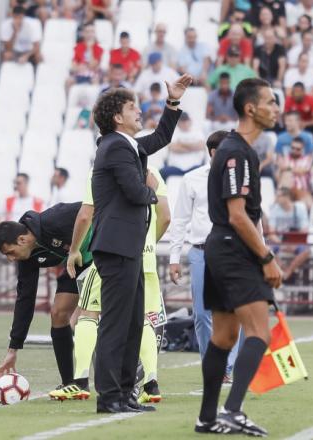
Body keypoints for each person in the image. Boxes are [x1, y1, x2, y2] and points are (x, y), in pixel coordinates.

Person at [88, 76, 192, 414]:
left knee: (133, 323)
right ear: (117, 117)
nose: (139, 111)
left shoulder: (127, 145)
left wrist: (173, 102)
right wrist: (151, 190)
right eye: (133, 107)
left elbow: (161, 137)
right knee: (117, 324)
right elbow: (135, 192)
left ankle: (123, 394)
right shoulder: (116, 146)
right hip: (117, 246)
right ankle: (109, 397)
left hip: (128, 246)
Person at [195, 78, 281, 436]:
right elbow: (237, 214)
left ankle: (207, 417)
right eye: (271, 102)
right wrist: (266, 257)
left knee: (223, 338)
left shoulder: (239, 149)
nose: (276, 109)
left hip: (220, 245)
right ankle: (232, 410)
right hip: (233, 247)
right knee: (260, 332)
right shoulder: (238, 152)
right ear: (251, 108)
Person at [65, 166, 170, 403]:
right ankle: (150, 385)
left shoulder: (102, 168)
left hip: (113, 253)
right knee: (143, 319)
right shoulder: (151, 172)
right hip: (147, 259)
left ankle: (80, 381)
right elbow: (166, 216)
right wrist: (148, 243)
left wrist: (73, 250)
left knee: (88, 313)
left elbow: (85, 214)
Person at [0, 202, 93, 400]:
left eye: (10, 253)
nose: (11, 259)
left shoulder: (55, 219)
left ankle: (128, 376)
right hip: (78, 263)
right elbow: (25, 300)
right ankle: (70, 383)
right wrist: (14, 348)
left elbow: (91, 208)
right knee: (59, 314)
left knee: (94, 315)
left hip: (104, 255)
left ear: (21, 240)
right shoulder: (27, 259)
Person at [169, 131, 239, 381]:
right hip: (200, 252)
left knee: (233, 311)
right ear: (212, 152)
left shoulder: (240, 179)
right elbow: (179, 220)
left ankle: (227, 367)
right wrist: (174, 258)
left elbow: (254, 218)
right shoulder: (192, 179)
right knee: (200, 314)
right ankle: (214, 364)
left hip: (234, 252)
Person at [266, 186, 311, 281]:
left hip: (295, 242)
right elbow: (271, 233)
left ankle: (288, 272)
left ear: (287, 197)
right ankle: (282, 270)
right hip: (279, 242)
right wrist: (282, 244)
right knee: (267, 250)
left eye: (279, 196)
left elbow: (304, 230)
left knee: (306, 251)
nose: (276, 198)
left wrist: (292, 244)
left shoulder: (300, 208)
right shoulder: (274, 209)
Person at [161, 112, 207, 179]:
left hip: (194, 167)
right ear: (178, 123)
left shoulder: (197, 132)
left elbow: (201, 146)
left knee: (206, 173)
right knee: (160, 173)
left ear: (190, 121)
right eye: (182, 122)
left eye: (186, 121)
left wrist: (181, 143)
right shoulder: (173, 133)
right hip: (176, 167)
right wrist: (193, 147)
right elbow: (173, 148)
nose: (184, 124)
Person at [275, 137, 313, 206]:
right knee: (286, 175)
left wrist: (286, 168)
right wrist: (283, 169)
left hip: (301, 190)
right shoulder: (285, 158)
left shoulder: (307, 159)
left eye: (298, 149)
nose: (294, 150)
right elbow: (277, 175)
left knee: (308, 203)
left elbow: (302, 171)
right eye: (293, 148)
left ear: (303, 149)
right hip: (287, 190)